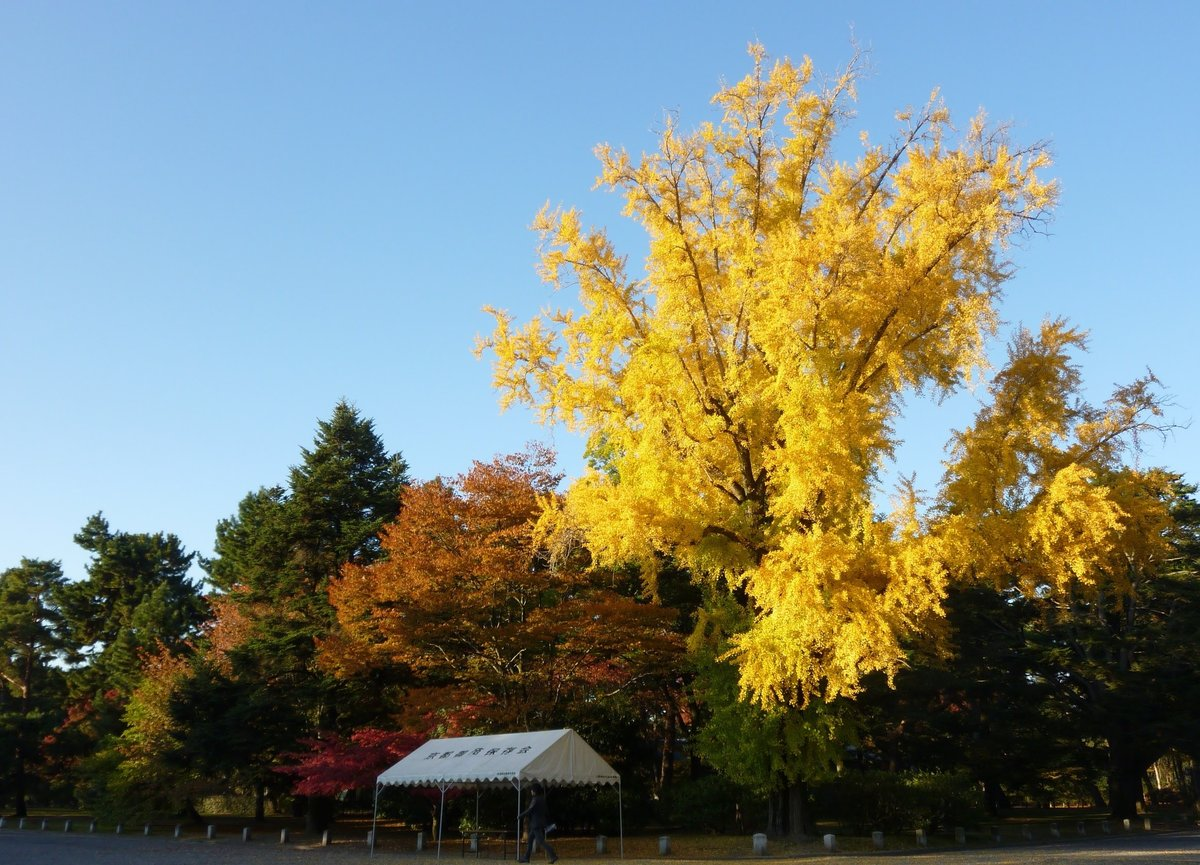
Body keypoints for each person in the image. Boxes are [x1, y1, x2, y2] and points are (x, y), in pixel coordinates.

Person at [517, 782, 558, 864]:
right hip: (538, 823)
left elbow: (530, 810)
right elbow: (546, 811)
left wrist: (520, 816)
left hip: (536, 824)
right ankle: (526, 857)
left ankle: (553, 855)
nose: (531, 792)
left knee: (541, 841)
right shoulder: (543, 799)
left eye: (532, 790)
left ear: (534, 791)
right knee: (530, 840)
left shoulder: (535, 799)